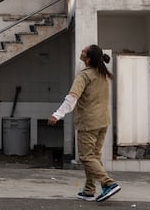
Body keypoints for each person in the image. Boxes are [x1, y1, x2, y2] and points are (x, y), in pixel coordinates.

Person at [47, 44, 121, 203]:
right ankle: (89, 190)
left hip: (88, 122)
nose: (81, 51)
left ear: (88, 59)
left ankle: (109, 183)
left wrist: (57, 114)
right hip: (103, 121)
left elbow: (72, 97)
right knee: (94, 157)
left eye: (83, 51)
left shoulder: (84, 75)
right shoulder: (103, 74)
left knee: (86, 157)